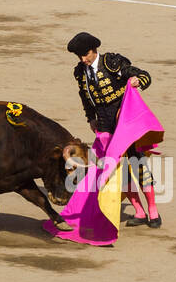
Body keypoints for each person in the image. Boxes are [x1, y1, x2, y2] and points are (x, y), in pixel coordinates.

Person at [67, 31, 159, 228]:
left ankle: (153, 211)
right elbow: (85, 97)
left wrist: (137, 81)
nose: (83, 59)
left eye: (85, 55)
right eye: (80, 56)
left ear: (94, 50)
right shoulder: (80, 72)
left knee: (138, 163)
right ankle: (139, 211)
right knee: (117, 168)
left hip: (124, 119)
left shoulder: (112, 62)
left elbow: (144, 76)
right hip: (104, 124)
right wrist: (91, 118)